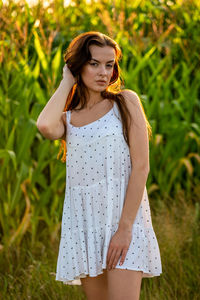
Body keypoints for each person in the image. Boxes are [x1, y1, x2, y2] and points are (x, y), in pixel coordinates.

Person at [36, 31, 162, 300]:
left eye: (109, 64)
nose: (103, 72)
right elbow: (45, 126)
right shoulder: (69, 119)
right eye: (93, 63)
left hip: (124, 223)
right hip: (85, 226)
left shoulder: (126, 102)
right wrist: (66, 82)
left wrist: (125, 229)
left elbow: (141, 167)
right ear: (78, 65)